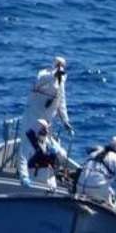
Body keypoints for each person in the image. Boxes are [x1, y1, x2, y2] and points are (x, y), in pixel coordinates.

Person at [18, 56, 74, 185]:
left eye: (62, 65)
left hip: (46, 122)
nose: (60, 67)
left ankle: (50, 172)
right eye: (58, 64)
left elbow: (61, 103)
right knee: (27, 145)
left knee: (52, 149)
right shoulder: (43, 74)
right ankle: (23, 175)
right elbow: (39, 82)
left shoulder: (61, 82)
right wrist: (53, 75)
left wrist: (65, 122)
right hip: (32, 118)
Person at [18, 119, 67, 189]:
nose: (46, 131)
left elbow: (63, 155)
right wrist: (24, 176)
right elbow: (23, 161)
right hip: (35, 178)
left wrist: (58, 152)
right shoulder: (27, 144)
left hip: (50, 178)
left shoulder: (48, 140)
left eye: (46, 129)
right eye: (43, 129)